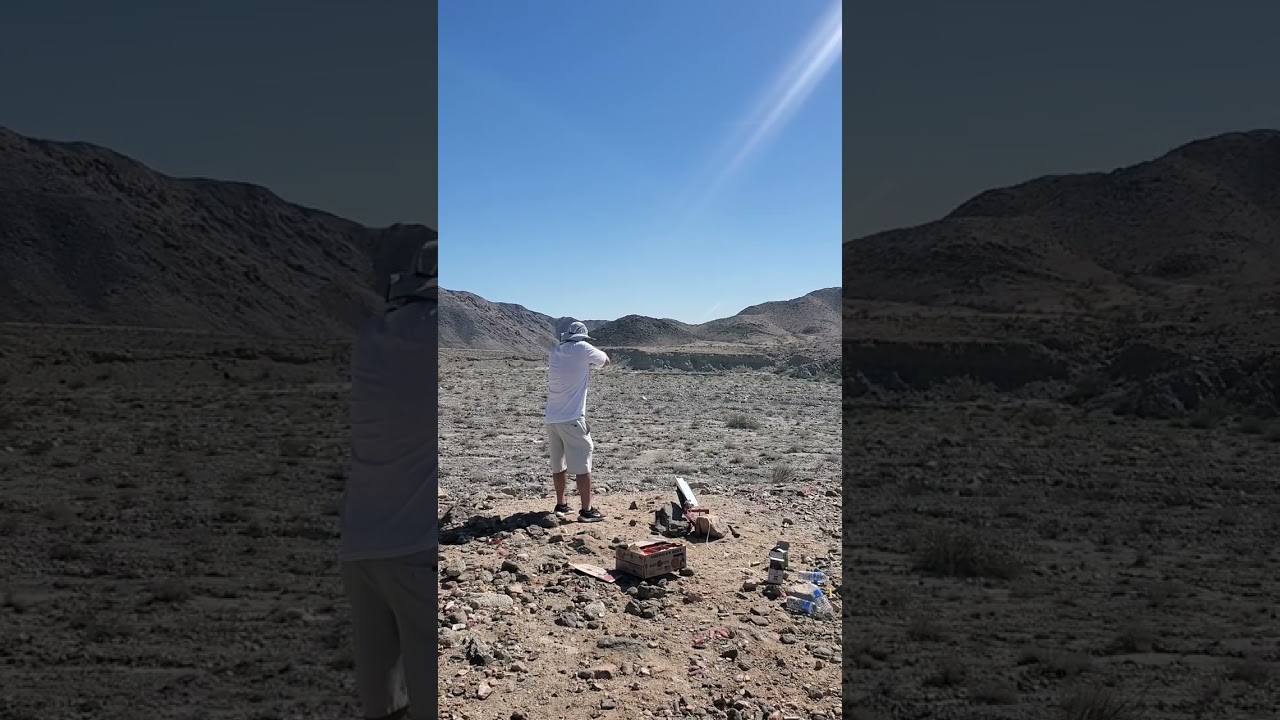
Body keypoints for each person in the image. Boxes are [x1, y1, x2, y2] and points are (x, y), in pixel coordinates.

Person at [338, 236, 437, 720]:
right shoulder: (434, 338)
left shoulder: (371, 336)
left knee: (382, 695)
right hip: (414, 547)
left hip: (360, 540)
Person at [546, 320, 609, 522]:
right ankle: (587, 511)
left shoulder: (556, 351)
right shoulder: (582, 347)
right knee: (583, 464)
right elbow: (605, 361)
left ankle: (561, 504)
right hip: (572, 417)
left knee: (558, 463)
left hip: (552, 418)